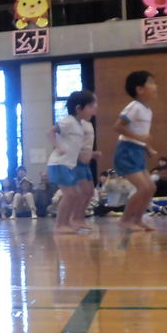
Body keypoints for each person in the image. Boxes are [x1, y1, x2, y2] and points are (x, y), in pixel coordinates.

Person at [112, 71, 159, 232]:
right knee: (144, 188)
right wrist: (140, 137)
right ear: (139, 89)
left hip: (138, 151)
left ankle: (138, 219)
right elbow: (118, 126)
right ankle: (125, 219)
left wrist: (147, 147)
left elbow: (141, 136)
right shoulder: (134, 107)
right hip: (126, 152)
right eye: (151, 82)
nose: (155, 86)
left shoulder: (148, 110)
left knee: (151, 187)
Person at [49, 91, 97, 234]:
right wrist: (58, 147)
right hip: (59, 163)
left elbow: (75, 147)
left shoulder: (79, 125)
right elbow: (51, 132)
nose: (93, 109)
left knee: (75, 194)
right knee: (70, 194)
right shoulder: (69, 121)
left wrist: (91, 154)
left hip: (68, 165)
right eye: (90, 106)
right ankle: (60, 224)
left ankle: (67, 222)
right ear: (79, 108)